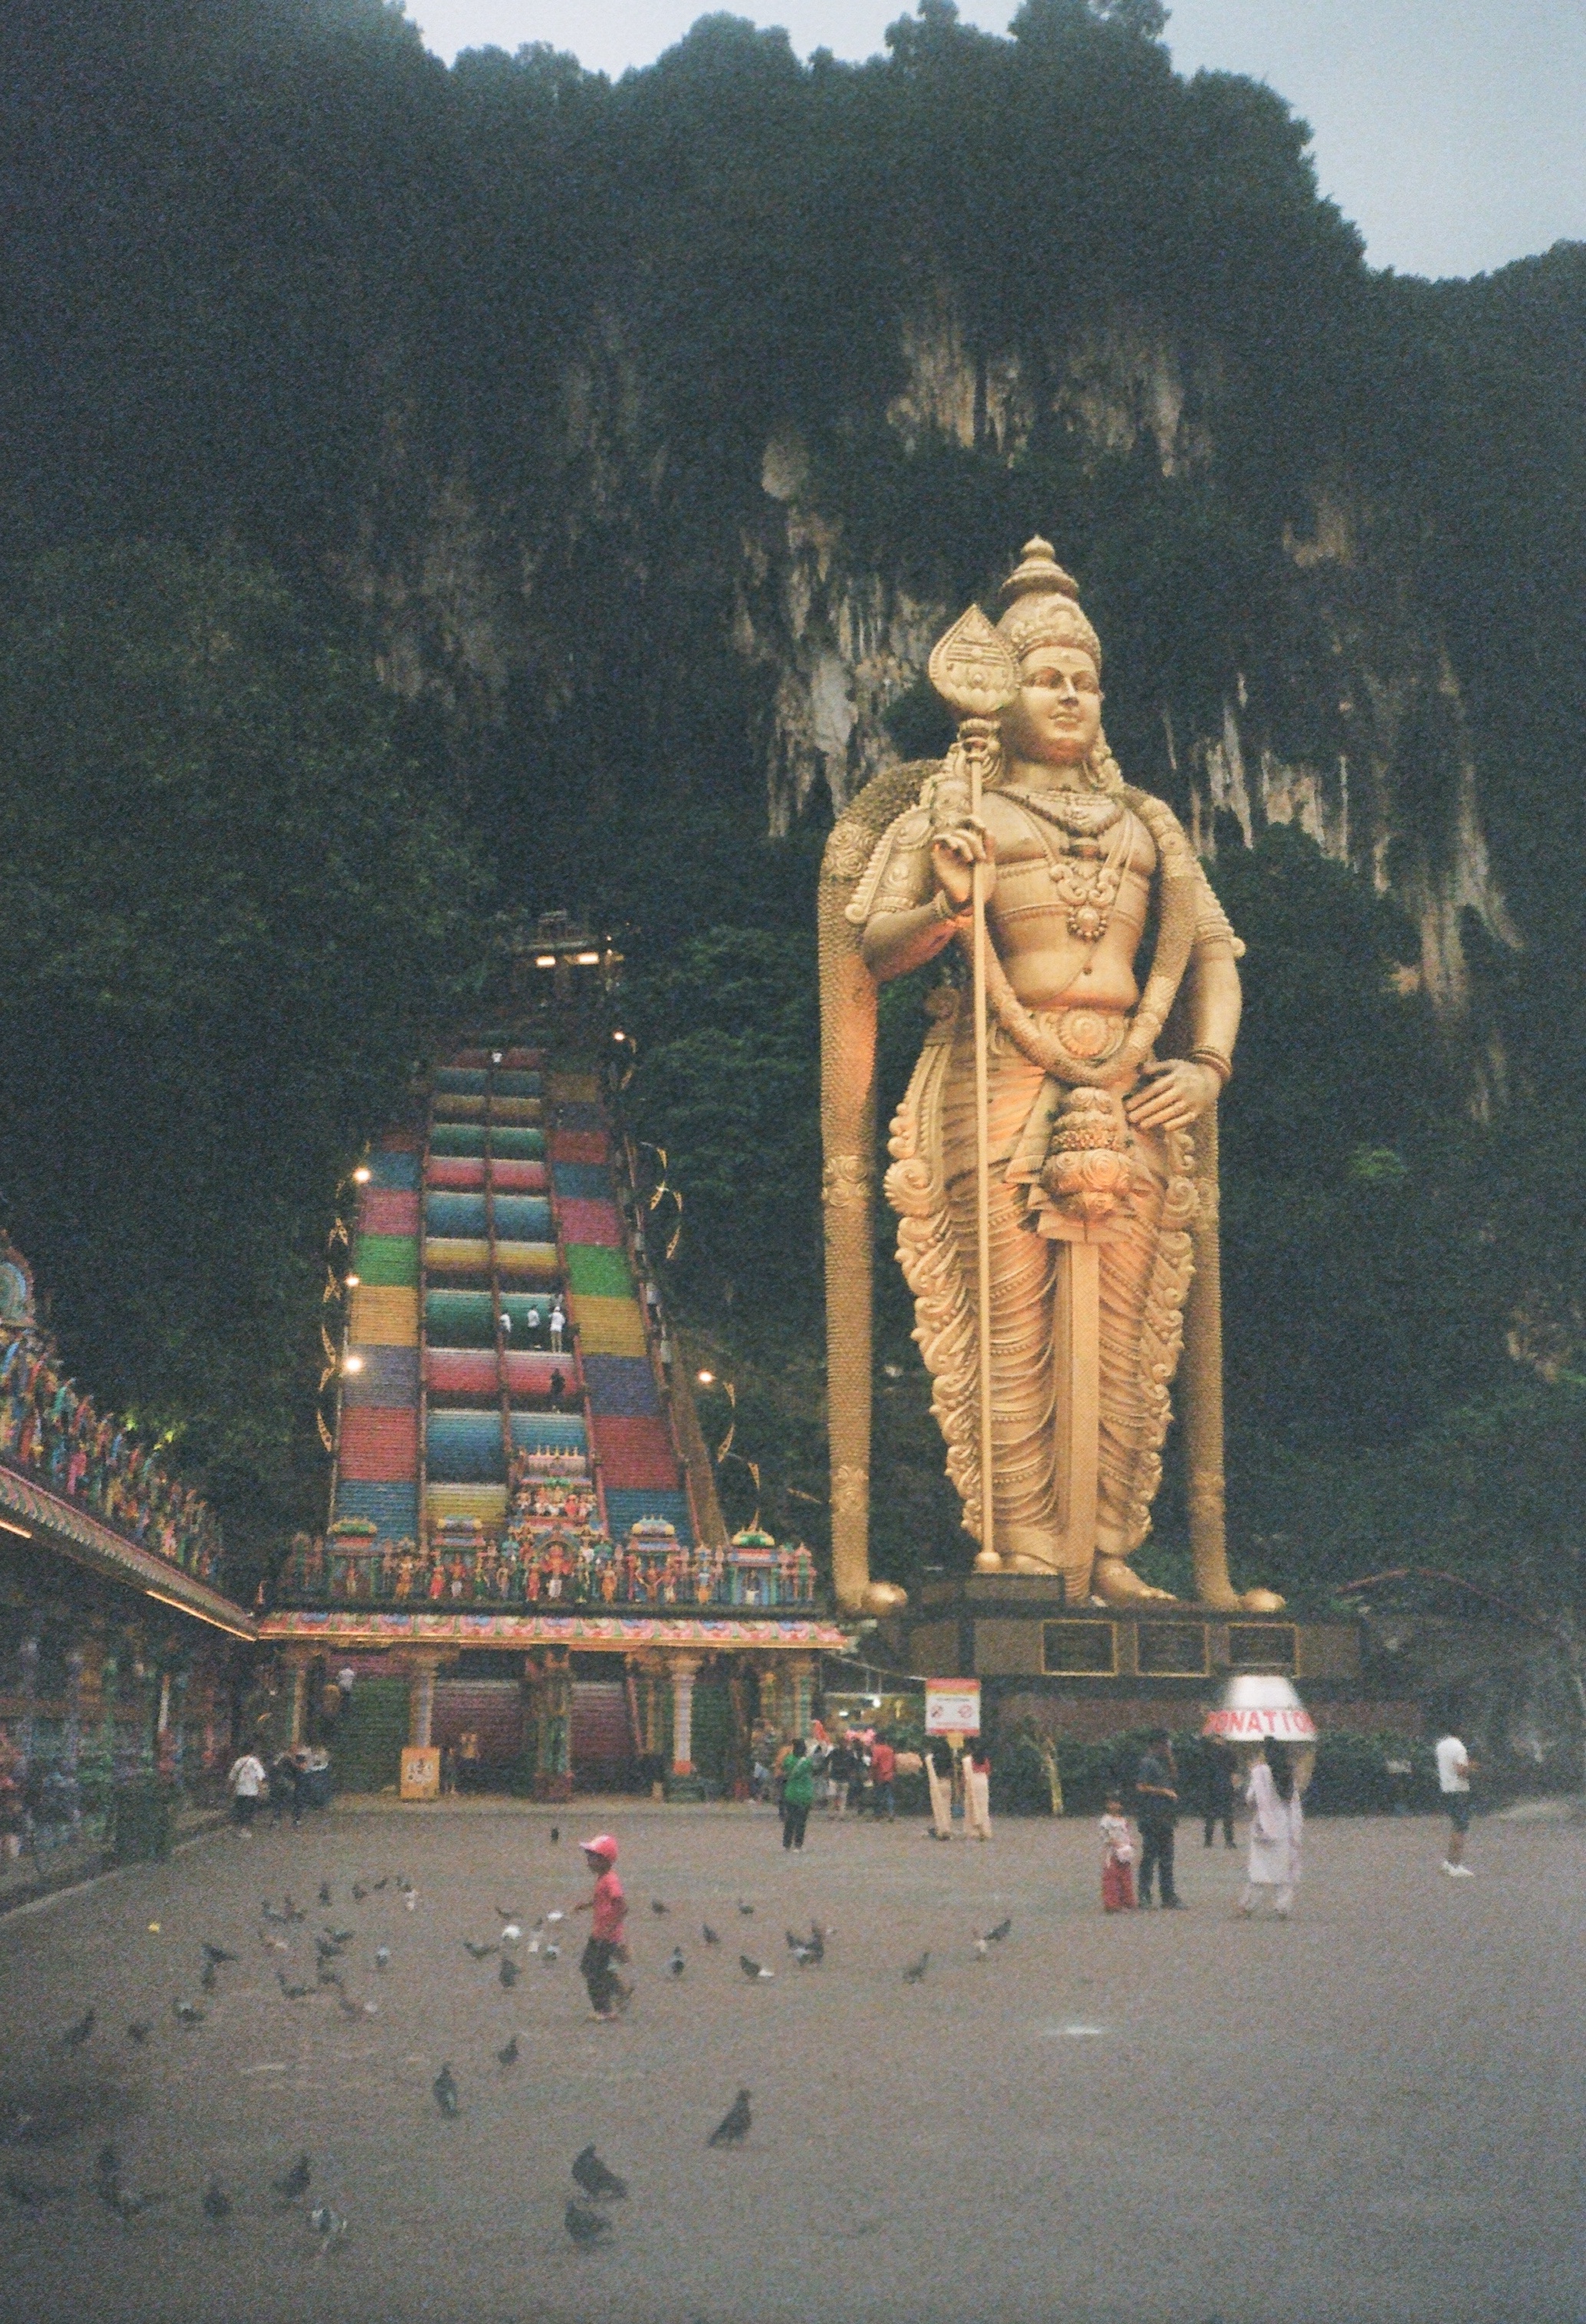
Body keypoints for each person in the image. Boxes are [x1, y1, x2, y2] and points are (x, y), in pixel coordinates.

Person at [1240, 1738, 1303, 1917]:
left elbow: (1250, 1798)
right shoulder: (1287, 1772)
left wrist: (1251, 1770)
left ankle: (1248, 1906)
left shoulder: (1259, 1772)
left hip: (1264, 1824)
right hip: (1285, 1825)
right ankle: (1283, 1906)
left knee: (1259, 1867)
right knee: (1283, 1866)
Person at [574, 1832, 631, 2020]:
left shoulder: (610, 1880)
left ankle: (604, 2010)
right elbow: (603, 1899)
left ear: (605, 1860)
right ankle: (618, 1991)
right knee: (594, 1968)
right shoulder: (604, 1878)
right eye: (588, 1856)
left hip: (605, 1936)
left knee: (592, 1970)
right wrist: (587, 1904)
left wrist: (611, 1929)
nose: (588, 1861)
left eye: (593, 1857)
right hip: (600, 1934)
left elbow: (622, 1907)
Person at [1134, 1730, 1183, 1908]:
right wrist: (1163, 1791)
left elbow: (1175, 1777)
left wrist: (1170, 1759)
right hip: (1151, 1815)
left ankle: (1168, 1896)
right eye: (1166, 1744)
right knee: (1150, 1856)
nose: (1168, 1747)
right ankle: (1144, 1894)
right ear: (1158, 1744)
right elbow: (1141, 1787)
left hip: (1165, 1816)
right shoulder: (1148, 1763)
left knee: (1167, 1858)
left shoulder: (1162, 1763)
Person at [1435, 1724, 1478, 1876]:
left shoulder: (1441, 1746)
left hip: (1446, 1788)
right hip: (1459, 1790)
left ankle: (1448, 1862)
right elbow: (1461, 1771)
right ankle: (1455, 1864)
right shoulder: (1459, 1748)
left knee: (1455, 1825)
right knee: (1460, 1827)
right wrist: (1472, 1768)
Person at [1099, 1793, 1136, 1912]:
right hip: (1112, 1853)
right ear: (1107, 1805)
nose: (1114, 1806)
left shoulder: (1123, 1820)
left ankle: (1127, 1902)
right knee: (1111, 1878)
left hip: (1124, 1853)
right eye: (1111, 1803)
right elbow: (1105, 1836)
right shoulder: (1106, 1820)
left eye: (1117, 1803)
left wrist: (1130, 1842)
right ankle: (1112, 1904)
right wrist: (1115, 1843)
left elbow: (1126, 1834)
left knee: (1126, 1877)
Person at [779, 1740, 814, 1851]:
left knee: (790, 1819)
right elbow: (812, 1770)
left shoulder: (789, 1760)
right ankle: (798, 1844)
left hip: (791, 1792)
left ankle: (787, 1843)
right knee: (802, 1821)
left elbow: (783, 1767)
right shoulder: (807, 1761)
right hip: (805, 1793)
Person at [1203, 1739, 1237, 1850]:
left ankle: (1208, 1840)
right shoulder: (1230, 1752)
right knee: (1227, 1814)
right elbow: (1234, 1770)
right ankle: (1229, 1841)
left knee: (1210, 1814)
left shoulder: (1208, 1752)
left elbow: (1205, 1770)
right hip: (1225, 1784)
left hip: (1211, 1786)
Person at [227, 1746, 266, 1835]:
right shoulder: (255, 1762)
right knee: (249, 1811)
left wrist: (230, 1789)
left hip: (240, 1790)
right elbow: (259, 1777)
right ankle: (244, 1829)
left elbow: (232, 1777)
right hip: (251, 1791)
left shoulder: (238, 1762)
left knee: (240, 1810)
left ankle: (239, 1828)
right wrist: (261, 1790)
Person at [924, 1738, 954, 1840]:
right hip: (947, 1783)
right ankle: (947, 1829)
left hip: (937, 1784)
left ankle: (941, 1830)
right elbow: (952, 1772)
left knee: (939, 1808)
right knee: (947, 1808)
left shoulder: (932, 1759)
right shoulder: (949, 1759)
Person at [963, 1740, 992, 1841]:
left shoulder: (968, 1760)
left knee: (972, 1806)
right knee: (984, 1806)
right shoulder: (985, 1759)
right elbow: (988, 1771)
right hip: (983, 1780)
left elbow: (965, 1774)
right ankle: (985, 1830)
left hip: (973, 1780)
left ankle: (974, 1830)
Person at [869, 1734, 896, 1821]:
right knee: (889, 1796)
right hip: (889, 1775)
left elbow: (874, 1763)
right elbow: (894, 1762)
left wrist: (870, 1772)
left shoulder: (876, 1749)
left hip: (879, 1775)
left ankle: (878, 1814)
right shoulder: (890, 1750)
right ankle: (891, 1813)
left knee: (878, 1795)